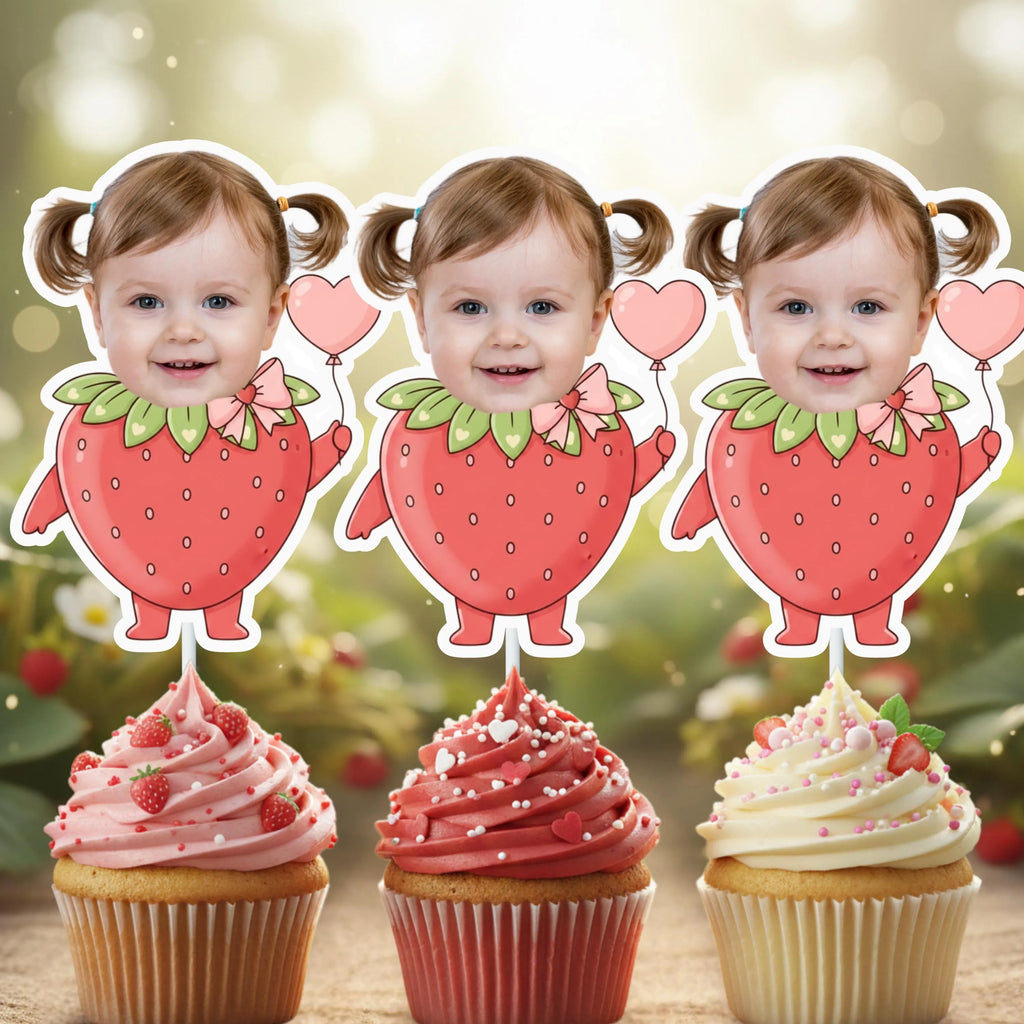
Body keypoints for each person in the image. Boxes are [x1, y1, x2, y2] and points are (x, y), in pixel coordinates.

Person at [31, 149, 349, 407]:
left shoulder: (279, 426)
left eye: (218, 301)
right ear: (98, 314)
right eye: (147, 301)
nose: (183, 332)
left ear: (270, 316)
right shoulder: (87, 434)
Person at [357, 155, 673, 412]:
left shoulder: (606, 430)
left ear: (594, 322)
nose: (507, 338)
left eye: (542, 306)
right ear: (422, 320)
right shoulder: (410, 434)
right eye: (470, 307)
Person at [684, 155, 999, 413]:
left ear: (920, 322)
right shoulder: (737, 437)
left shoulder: (929, 431)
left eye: (867, 306)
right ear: (748, 321)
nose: (832, 338)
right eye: (796, 307)